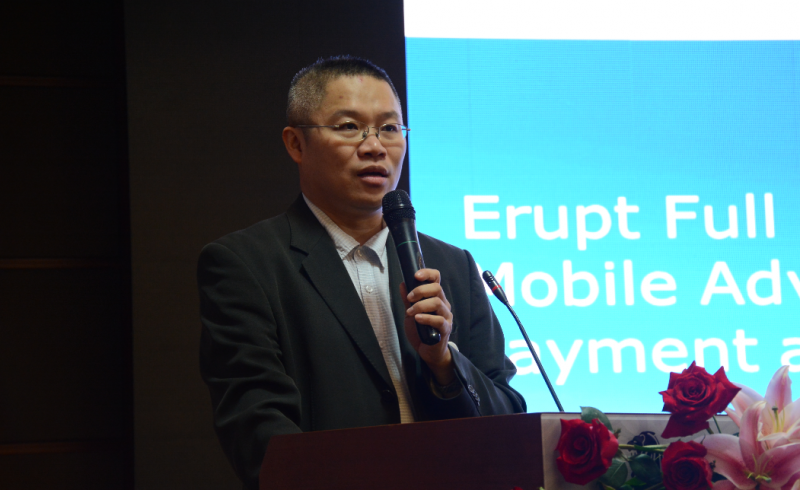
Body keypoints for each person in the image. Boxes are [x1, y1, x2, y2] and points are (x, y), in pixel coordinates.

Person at [198, 56, 526, 490]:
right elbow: (261, 437)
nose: (375, 147)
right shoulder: (246, 265)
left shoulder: (453, 266)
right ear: (296, 144)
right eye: (349, 126)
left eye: (390, 128)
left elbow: (509, 422)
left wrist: (444, 363)